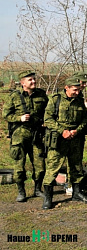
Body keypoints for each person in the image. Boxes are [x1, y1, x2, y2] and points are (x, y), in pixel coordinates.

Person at [42, 76, 87, 209]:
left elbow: (84, 120)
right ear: (67, 88)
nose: (77, 92)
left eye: (78, 90)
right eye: (74, 90)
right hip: (59, 140)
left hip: (75, 140)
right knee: (53, 168)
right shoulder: (56, 100)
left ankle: (76, 193)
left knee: (76, 167)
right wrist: (62, 131)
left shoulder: (79, 101)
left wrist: (77, 130)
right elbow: (48, 119)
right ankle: (48, 198)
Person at [3, 70, 48, 202]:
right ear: (23, 83)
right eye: (30, 80)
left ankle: (38, 190)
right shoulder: (14, 96)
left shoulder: (41, 94)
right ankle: (21, 191)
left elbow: (49, 110)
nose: (33, 81)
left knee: (40, 165)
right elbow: (6, 115)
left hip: (37, 135)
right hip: (20, 136)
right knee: (19, 166)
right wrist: (19, 118)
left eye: (34, 79)